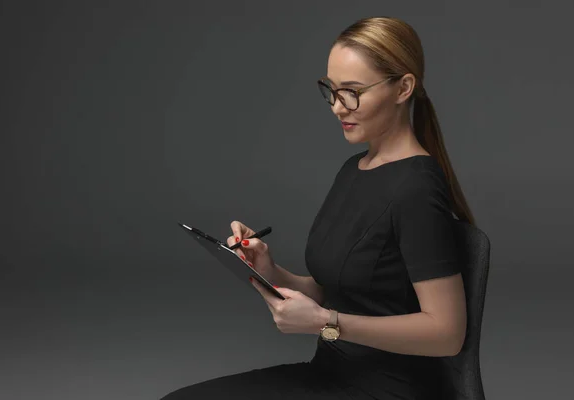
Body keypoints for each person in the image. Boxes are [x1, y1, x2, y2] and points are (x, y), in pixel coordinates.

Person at [161, 16, 475, 400]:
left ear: (403, 88)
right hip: (330, 375)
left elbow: (446, 333)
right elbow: (341, 291)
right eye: (332, 89)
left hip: (386, 390)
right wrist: (270, 270)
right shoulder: (353, 170)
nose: (337, 107)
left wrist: (327, 324)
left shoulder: (417, 187)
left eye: (353, 92)